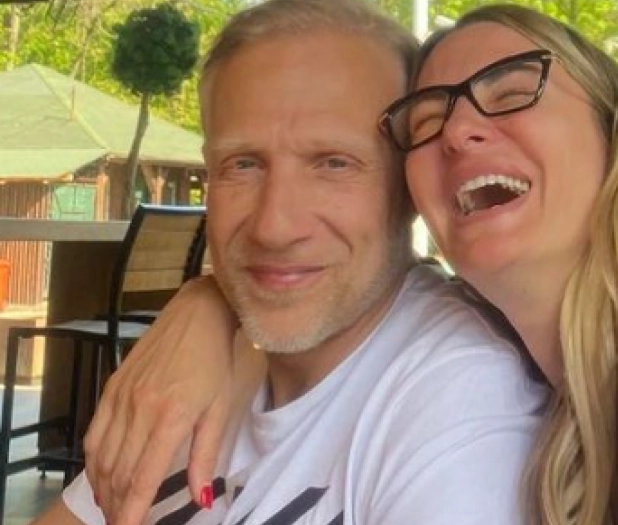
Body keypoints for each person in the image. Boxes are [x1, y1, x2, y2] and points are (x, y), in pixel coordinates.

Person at [82, 3, 618, 525]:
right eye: (428, 117)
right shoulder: (573, 415)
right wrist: (213, 303)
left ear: (615, 130)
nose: (459, 129)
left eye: (512, 86)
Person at [30, 1, 547, 524]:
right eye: (243, 165)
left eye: (334, 163)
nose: (273, 227)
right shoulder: (197, 370)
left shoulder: (461, 397)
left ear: (409, 186)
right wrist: (207, 298)